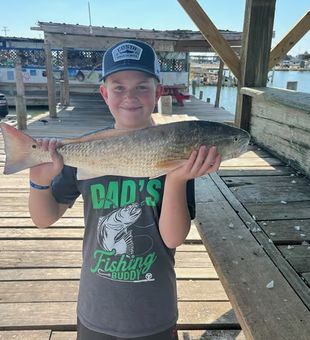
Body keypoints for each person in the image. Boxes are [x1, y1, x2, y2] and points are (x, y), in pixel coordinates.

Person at [29, 39, 221, 340]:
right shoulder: (85, 150)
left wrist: (176, 179)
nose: (130, 96)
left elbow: (173, 237)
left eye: (142, 86)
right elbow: (44, 218)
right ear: (105, 94)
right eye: (118, 87)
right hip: (97, 309)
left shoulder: (179, 151)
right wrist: (39, 180)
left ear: (158, 92)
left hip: (155, 310)